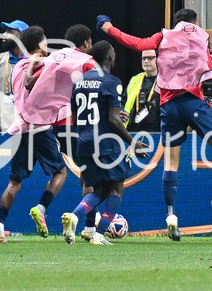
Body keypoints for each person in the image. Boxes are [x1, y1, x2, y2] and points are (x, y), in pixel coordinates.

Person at [99, 9, 212, 241]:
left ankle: (171, 216)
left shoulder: (163, 36)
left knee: (171, 164)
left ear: (175, 23)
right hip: (193, 102)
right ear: (196, 22)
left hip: (169, 106)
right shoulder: (201, 37)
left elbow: (137, 43)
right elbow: (211, 72)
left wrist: (108, 28)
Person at [15, 24, 98, 240]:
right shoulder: (86, 62)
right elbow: (98, 90)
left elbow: (29, 83)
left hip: (58, 126)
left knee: (85, 173)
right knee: (91, 174)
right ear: (87, 43)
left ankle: (82, 224)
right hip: (77, 123)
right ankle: (89, 228)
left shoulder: (55, 58)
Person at [62, 41, 147, 246]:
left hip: (83, 143)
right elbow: (113, 120)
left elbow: (75, 115)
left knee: (100, 189)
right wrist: (132, 142)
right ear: (110, 57)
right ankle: (99, 234)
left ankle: (74, 217)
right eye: (114, 53)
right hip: (105, 143)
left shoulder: (79, 81)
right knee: (117, 188)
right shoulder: (112, 82)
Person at [0, 26, 68, 243]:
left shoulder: (16, 66)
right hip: (39, 127)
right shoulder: (42, 64)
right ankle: (41, 209)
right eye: (45, 41)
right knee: (60, 172)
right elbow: (32, 83)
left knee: (14, 181)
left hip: (19, 127)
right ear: (39, 45)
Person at [0, 19, 28, 132]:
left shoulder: (34, 60)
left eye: (10, 32)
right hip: (5, 122)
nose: (4, 34)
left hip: (28, 122)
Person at [123, 49, 160, 134]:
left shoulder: (164, 81)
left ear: (158, 59)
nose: (146, 61)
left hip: (156, 131)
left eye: (150, 58)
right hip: (133, 131)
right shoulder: (135, 80)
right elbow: (123, 102)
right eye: (144, 58)